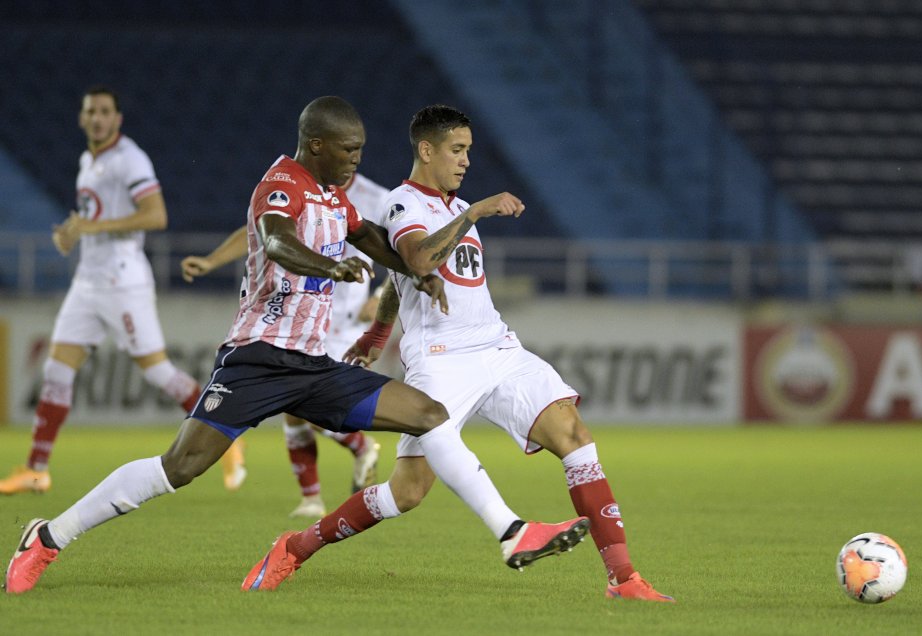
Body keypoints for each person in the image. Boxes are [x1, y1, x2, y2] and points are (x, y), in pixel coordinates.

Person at [5, 96, 588, 595]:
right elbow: (277, 241)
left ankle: (511, 531)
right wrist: (329, 267)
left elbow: (367, 235)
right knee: (178, 466)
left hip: (312, 366)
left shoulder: (333, 195)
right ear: (315, 145)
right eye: (348, 150)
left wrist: (416, 272)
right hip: (257, 359)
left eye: (361, 150)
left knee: (429, 415)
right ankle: (48, 537)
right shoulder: (281, 184)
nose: (356, 159)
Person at [242, 104, 673, 602]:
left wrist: (378, 332)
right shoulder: (403, 203)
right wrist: (474, 212)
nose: (466, 160)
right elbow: (416, 260)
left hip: (497, 346)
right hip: (441, 358)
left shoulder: (454, 205)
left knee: (575, 437)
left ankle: (623, 578)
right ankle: (295, 547)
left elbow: (399, 280)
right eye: (457, 150)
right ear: (426, 150)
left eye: (468, 150)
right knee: (407, 492)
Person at [0, 85, 245, 496]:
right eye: (90, 111)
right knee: (56, 371)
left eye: (104, 111)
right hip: (88, 282)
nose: (97, 118)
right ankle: (36, 469)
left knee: (158, 372)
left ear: (117, 119)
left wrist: (91, 227)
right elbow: (95, 216)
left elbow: (156, 215)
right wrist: (73, 233)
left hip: (123, 282)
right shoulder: (88, 161)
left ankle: (227, 439)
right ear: (82, 118)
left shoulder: (130, 159)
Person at [180, 171, 391, 517]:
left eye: (354, 148)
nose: (349, 155)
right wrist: (212, 260)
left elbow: (397, 250)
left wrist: (381, 296)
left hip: (347, 322)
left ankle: (355, 452)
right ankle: (314, 496)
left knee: (303, 406)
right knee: (293, 411)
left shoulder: (376, 197)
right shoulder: (297, 186)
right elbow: (261, 231)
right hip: (300, 317)